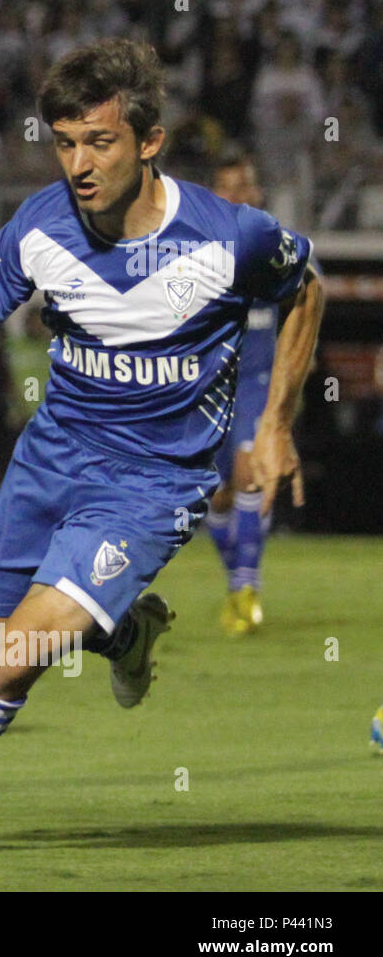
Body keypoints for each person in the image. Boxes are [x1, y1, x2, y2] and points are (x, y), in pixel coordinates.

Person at [0, 38, 322, 856]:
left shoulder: (231, 236)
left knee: (10, 661)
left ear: (150, 141)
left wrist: (277, 421)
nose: (78, 164)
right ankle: (124, 635)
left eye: (100, 142)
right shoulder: (40, 224)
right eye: (64, 141)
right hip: (50, 460)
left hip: (152, 486)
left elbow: (307, 289)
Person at [203, 153, 276, 635]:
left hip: (256, 383)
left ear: (257, 193)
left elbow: (305, 305)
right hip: (206, 390)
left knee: (250, 477)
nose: (237, 194)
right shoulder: (190, 254)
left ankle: (247, 591)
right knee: (218, 496)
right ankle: (236, 579)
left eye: (244, 185)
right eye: (227, 187)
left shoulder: (279, 249)